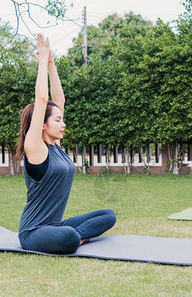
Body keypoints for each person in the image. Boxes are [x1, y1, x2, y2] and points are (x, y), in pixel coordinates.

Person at [15, 33, 116, 253]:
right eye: (57, 120)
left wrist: (51, 64)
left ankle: (73, 237)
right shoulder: (35, 148)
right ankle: (74, 238)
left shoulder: (56, 148)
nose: (63, 124)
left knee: (108, 215)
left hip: (55, 225)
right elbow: (42, 99)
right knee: (70, 236)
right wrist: (41, 61)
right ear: (42, 124)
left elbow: (58, 100)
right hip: (33, 231)